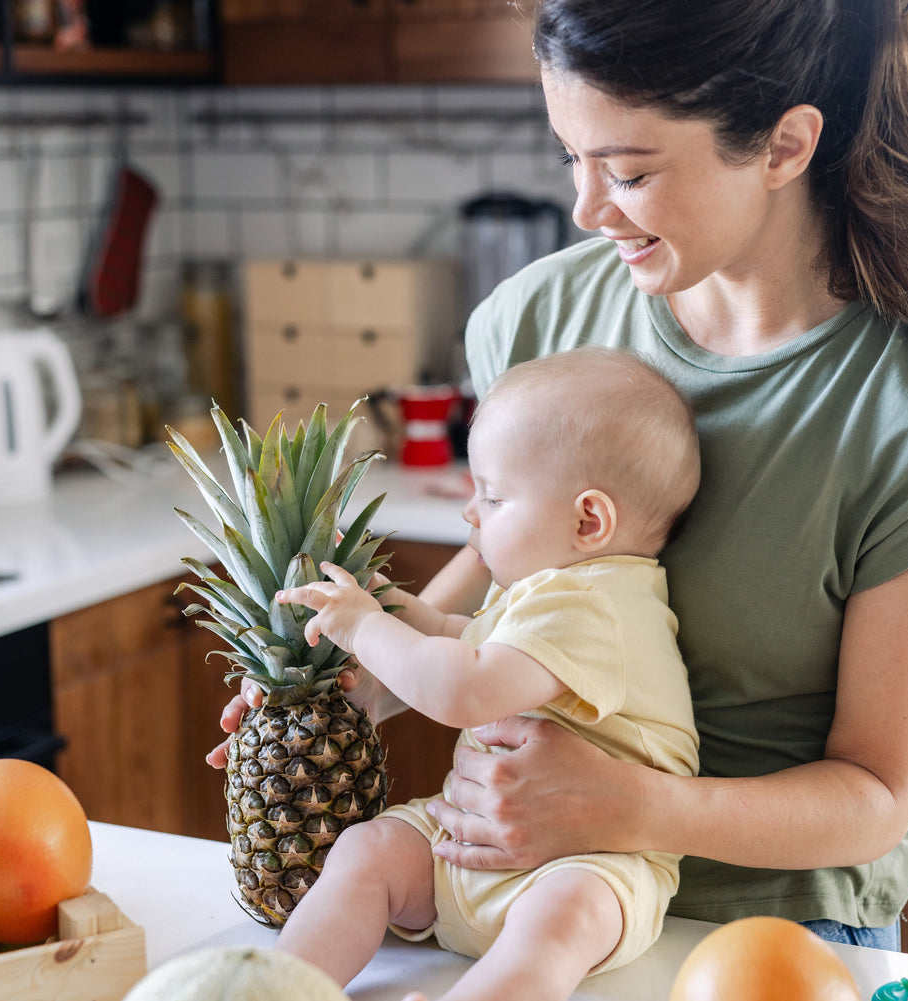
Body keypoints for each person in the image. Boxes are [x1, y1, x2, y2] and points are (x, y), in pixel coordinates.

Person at [214, 0, 908, 956]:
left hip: (776, 934)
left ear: (783, 146)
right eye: (573, 156)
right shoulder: (540, 316)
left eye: (630, 171)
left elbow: (873, 801)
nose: (587, 208)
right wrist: (370, 677)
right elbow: (501, 561)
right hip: (509, 886)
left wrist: (631, 805)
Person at [269, 347, 703, 1001]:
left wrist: (364, 626)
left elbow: (465, 686)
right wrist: (395, 607)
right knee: (368, 852)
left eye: (494, 496)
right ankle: (281, 987)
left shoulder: (593, 605)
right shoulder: (546, 591)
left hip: (591, 860)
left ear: (588, 520)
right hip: (469, 843)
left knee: (563, 921)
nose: (471, 515)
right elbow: (467, 641)